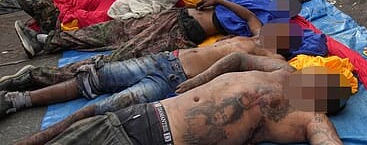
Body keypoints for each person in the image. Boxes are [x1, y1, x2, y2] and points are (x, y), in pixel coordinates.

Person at [23, 56, 349, 145]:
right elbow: (236, 57)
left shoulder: (309, 117)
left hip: (158, 137)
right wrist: (198, 80)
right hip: (143, 114)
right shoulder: (283, 71)